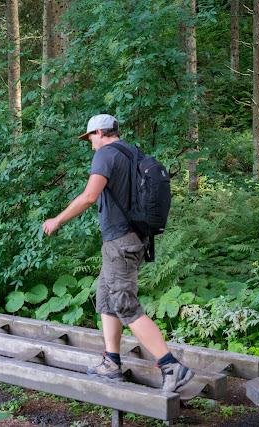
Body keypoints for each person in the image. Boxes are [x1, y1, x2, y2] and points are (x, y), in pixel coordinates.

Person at [42, 114, 194, 392]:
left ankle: (172, 366)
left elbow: (89, 196)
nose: (89, 143)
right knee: (106, 297)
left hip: (121, 242)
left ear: (100, 132)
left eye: (89, 137)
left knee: (123, 302)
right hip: (133, 238)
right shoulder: (132, 152)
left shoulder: (106, 154)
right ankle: (112, 362)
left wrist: (58, 219)